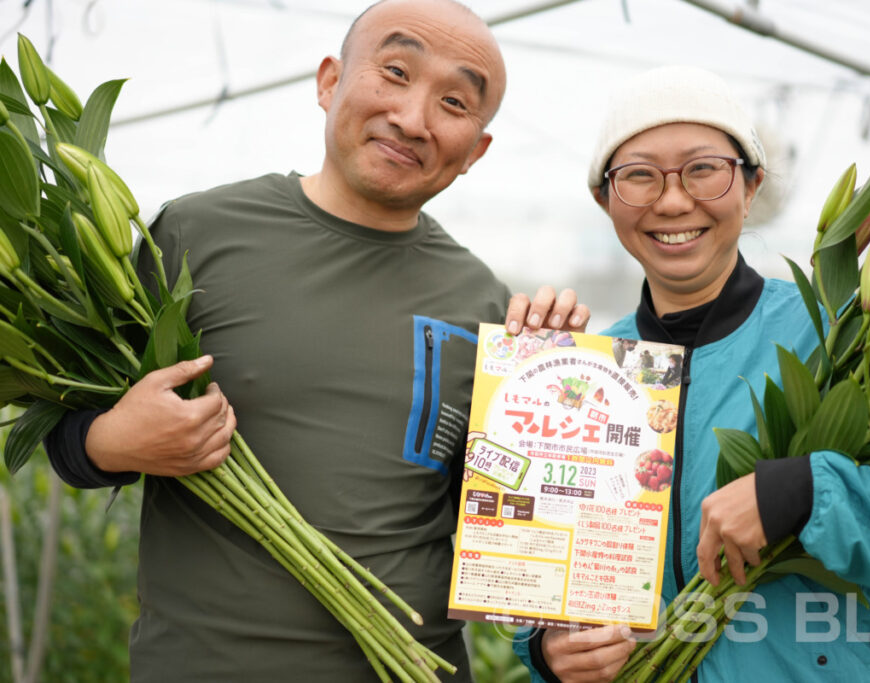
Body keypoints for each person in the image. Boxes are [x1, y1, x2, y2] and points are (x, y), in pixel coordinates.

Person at [42, 1, 589, 681]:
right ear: (330, 81)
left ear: (475, 150)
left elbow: (504, 529)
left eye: (453, 101)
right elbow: (65, 424)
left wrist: (561, 404)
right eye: (395, 71)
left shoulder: (483, 302)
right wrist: (112, 442)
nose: (413, 118)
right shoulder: (197, 235)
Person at [513, 65, 870, 682]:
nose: (672, 201)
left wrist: (805, 494)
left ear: (751, 188)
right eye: (639, 175)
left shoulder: (847, 335)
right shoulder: (586, 372)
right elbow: (541, 575)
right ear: (605, 199)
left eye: (703, 169)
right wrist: (546, 653)